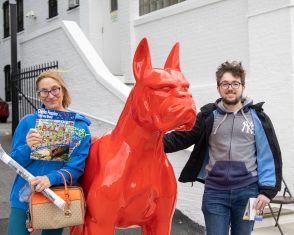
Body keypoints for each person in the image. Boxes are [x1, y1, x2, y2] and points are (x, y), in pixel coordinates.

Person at [164, 61, 282, 235]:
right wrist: (149, 142)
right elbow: (183, 137)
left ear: (243, 86)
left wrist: (267, 192)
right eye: (225, 84)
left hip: (250, 193)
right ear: (219, 88)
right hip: (214, 193)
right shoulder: (208, 115)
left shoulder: (259, 117)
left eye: (235, 83)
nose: (230, 88)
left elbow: (269, 156)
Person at [7, 69, 91, 235]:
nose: (50, 95)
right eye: (44, 91)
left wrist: (49, 179)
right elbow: (13, 161)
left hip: (56, 195)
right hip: (24, 195)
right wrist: (28, 147)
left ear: (62, 90)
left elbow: (76, 167)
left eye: (54, 89)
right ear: (38, 94)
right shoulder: (28, 122)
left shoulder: (80, 128)